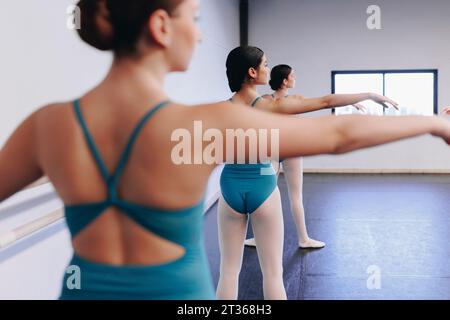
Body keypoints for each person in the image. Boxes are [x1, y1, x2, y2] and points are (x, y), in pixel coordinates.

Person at [0, 1, 449, 300]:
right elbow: (338, 135)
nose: (197, 36)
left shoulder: (50, 124)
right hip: (179, 296)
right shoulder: (200, 122)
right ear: (160, 27)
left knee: (229, 273)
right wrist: (432, 122)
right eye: (193, 21)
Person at [215, 46, 450, 300]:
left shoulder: (219, 109)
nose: (268, 69)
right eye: (265, 64)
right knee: (272, 273)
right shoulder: (269, 106)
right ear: (252, 72)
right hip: (262, 184)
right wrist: (370, 93)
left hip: (229, 185)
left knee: (228, 270)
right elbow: (326, 102)